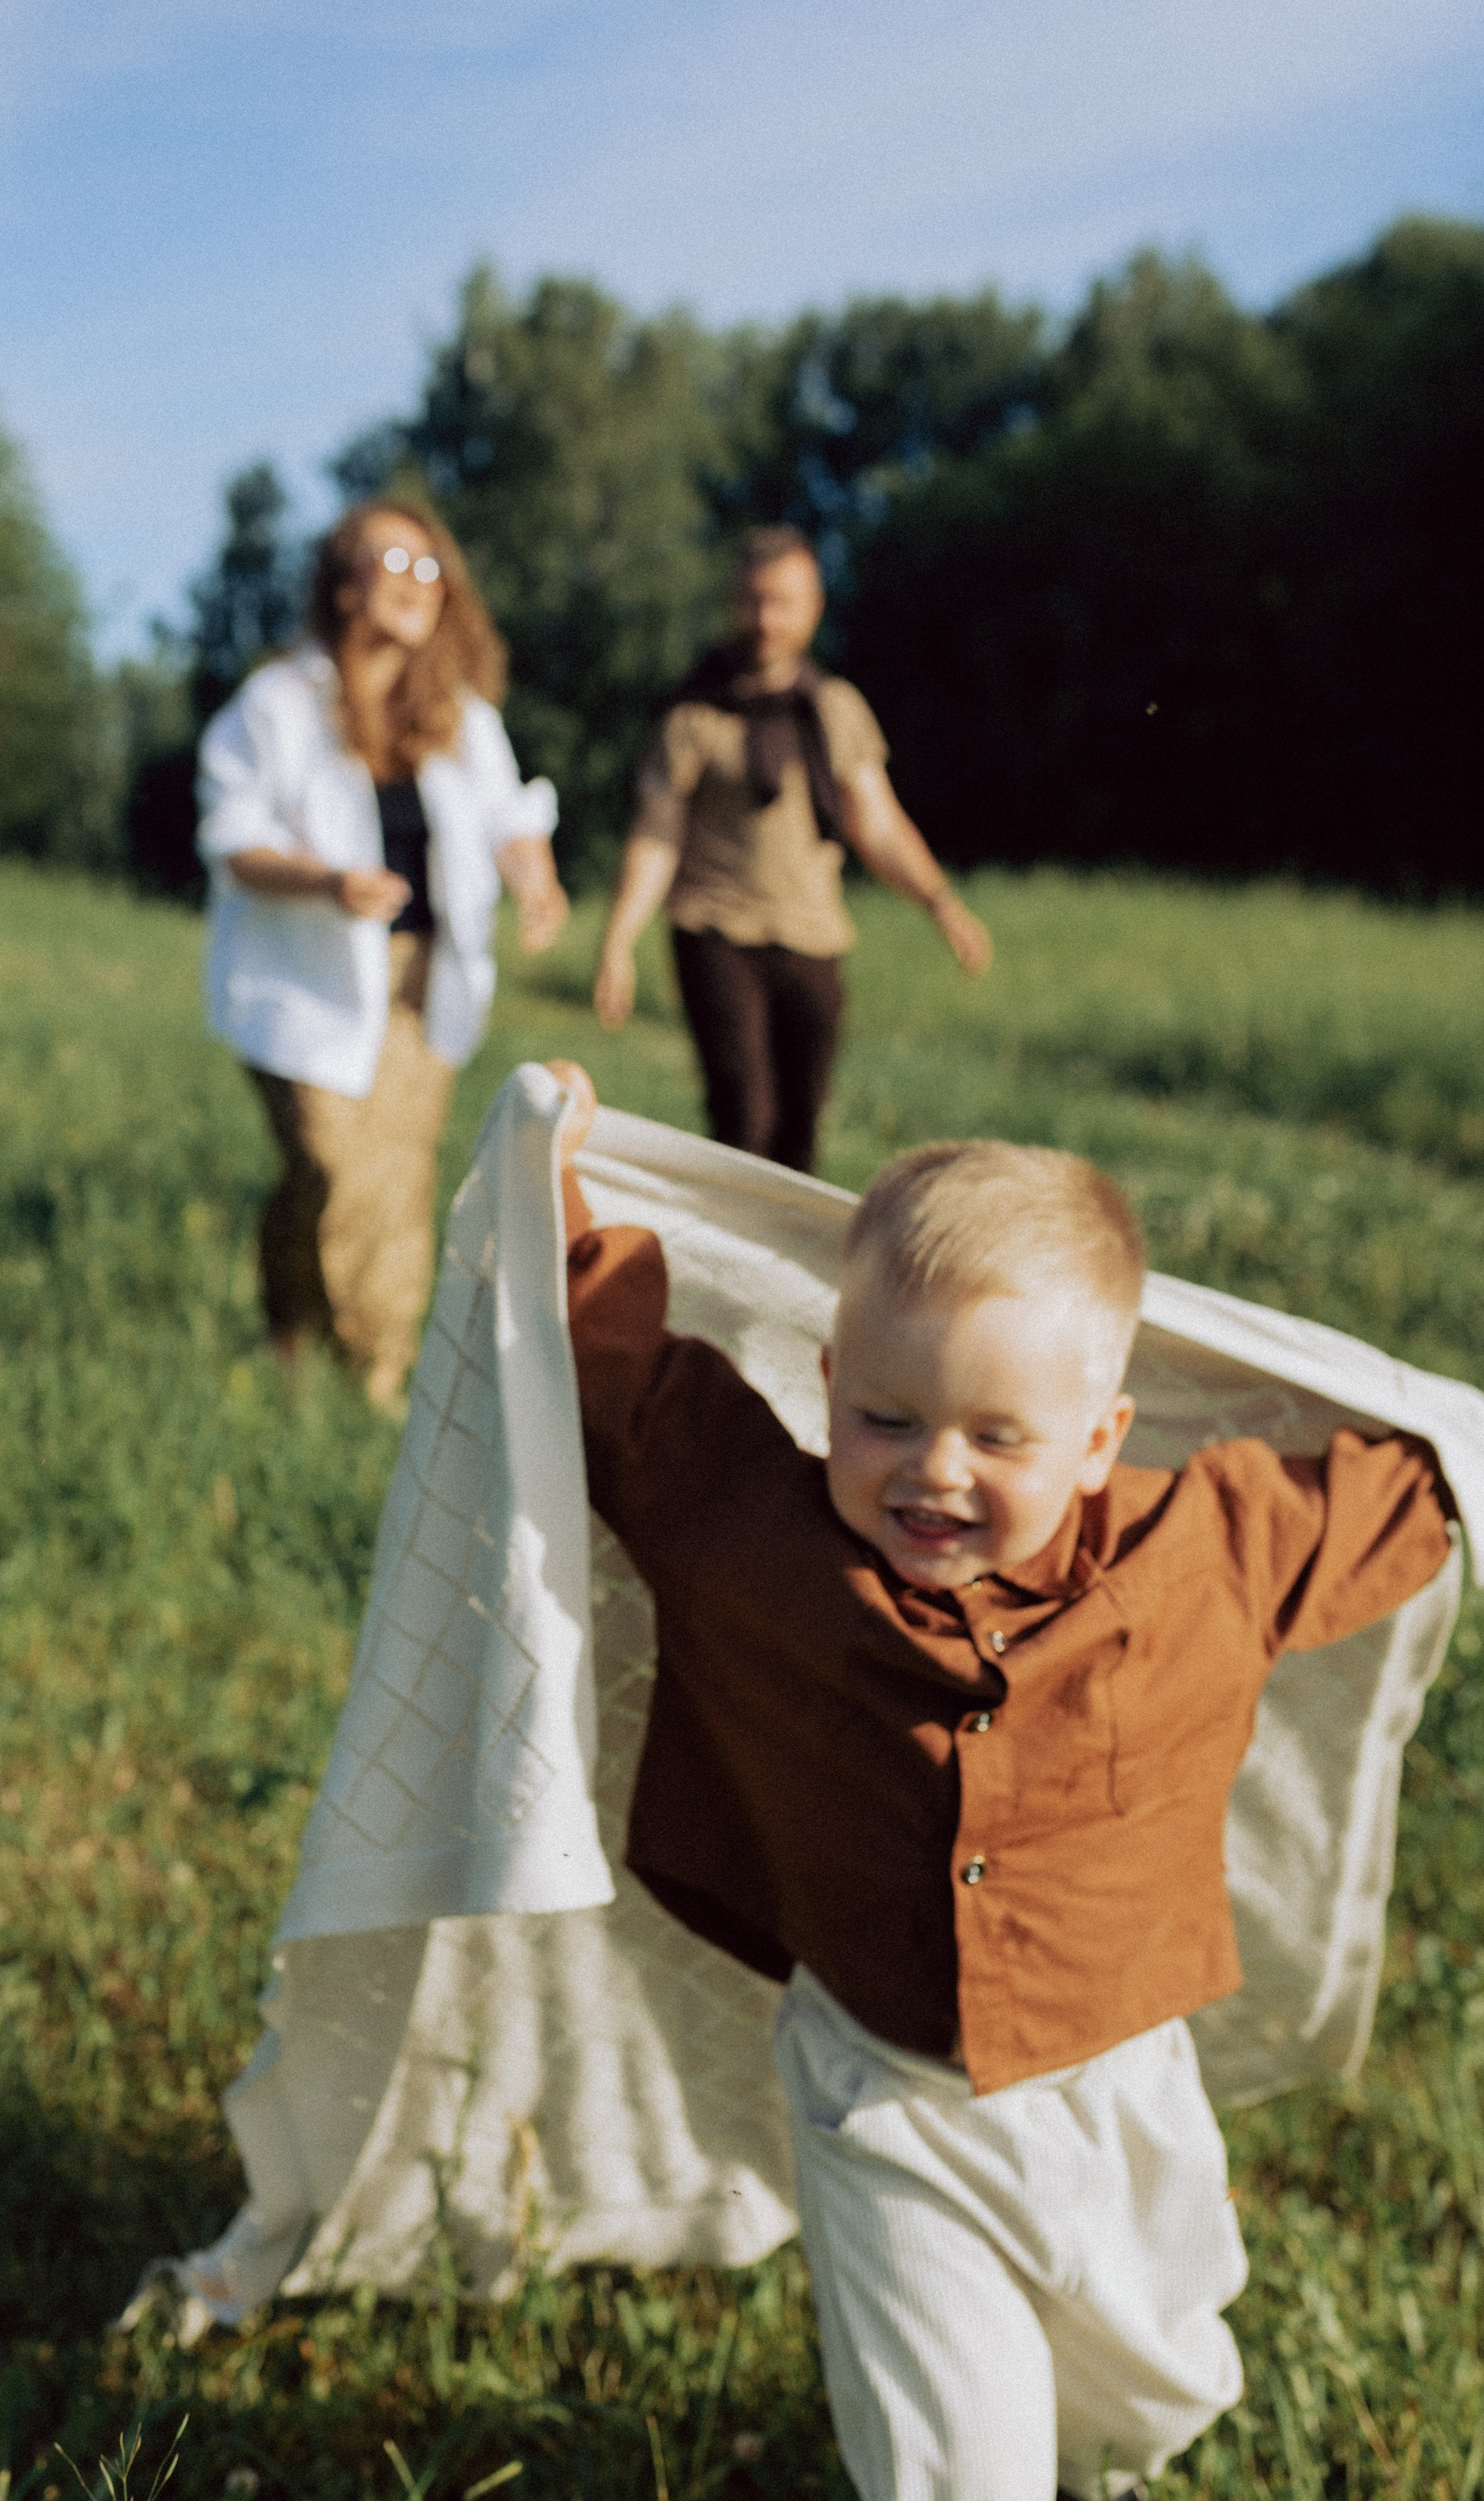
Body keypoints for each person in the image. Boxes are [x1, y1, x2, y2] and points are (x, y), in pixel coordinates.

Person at [548, 1058, 1455, 2501]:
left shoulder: (1210, 1551)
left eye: (997, 1436)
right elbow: (618, 1383)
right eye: (888, 1419)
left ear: (1099, 1443)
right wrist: (549, 1166)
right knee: (959, 2465)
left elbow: (1414, 1489)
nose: (935, 1472)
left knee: (1157, 2396)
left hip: (1118, 2086)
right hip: (884, 2091)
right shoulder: (752, 1525)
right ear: (829, 1386)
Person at [197, 499, 568, 1411]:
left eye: (428, 568)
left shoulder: (459, 715)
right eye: (388, 562)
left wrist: (536, 881)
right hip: (302, 984)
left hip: (424, 981)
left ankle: (378, 1373)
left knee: (398, 1176)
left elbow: (509, 817)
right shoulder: (278, 704)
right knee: (326, 1168)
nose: (412, 583)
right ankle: (294, 1325)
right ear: (341, 584)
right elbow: (233, 839)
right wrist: (328, 882)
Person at [591, 526, 991, 1173]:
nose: (765, 619)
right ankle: (730, 1239)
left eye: (782, 603)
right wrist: (618, 941)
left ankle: (783, 1242)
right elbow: (657, 836)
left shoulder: (836, 709)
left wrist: (941, 904)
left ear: (814, 608)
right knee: (745, 1119)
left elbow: (878, 826)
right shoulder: (693, 716)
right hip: (715, 929)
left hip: (813, 936)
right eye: (752, 601)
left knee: (801, 1127)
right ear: (733, 604)